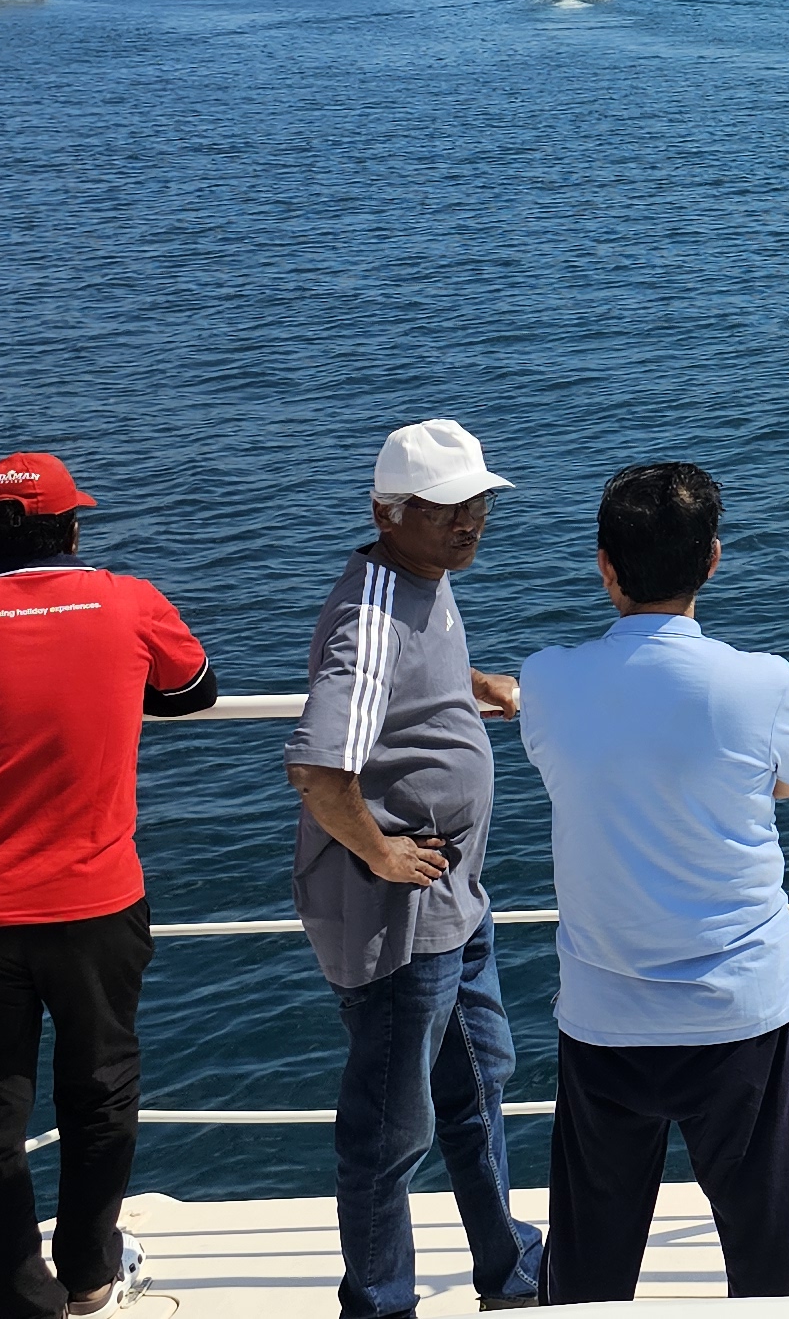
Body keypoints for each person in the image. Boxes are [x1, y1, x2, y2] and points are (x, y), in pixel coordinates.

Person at [0, 453, 219, 1319]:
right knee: (101, 1092)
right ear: (74, 529)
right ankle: (89, 1270)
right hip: (96, 901)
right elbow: (191, 691)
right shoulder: (128, 601)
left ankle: (20, 1302)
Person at [521, 462, 789, 1304]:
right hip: (739, 1010)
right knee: (766, 1254)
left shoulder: (545, 680)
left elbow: (557, 730)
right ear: (713, 559)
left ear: (604, 566)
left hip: (605, 1012)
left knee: (590, 1259)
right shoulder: (761, 681)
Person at [288, 420, 544, 1317]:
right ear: (388, 512)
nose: (471, 519)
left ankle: (510, 1269)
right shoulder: (370, 611)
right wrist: (383, 851)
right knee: (390, 1137)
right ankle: (382, 1303)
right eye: (447, 508)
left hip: (454, 908)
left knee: (478, 1091)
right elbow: (321, 769)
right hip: (401, 919)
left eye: (478, 502)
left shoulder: (420, 581)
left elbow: (409, 674)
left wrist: (472, 685)